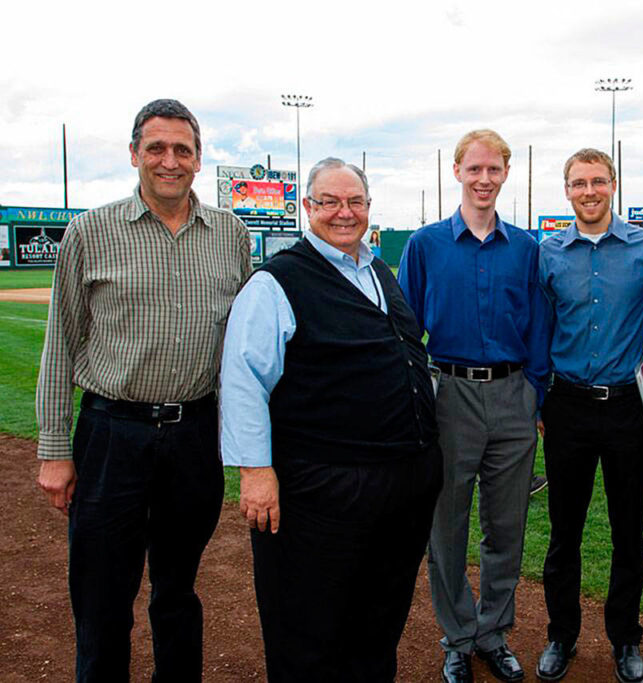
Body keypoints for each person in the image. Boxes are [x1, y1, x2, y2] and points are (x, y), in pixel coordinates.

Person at [35, 99, 252, 682]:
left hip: (193, 435)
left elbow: (243, 348)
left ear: (199, 159)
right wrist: (55, 449)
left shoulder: (231, 234)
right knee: (103, 597)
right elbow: (60, 345)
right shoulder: (90, 230)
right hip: (113, 433)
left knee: (177, 590)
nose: (169, 160)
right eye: (156, 147)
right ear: (134, 154)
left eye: (182, 149)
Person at [219, 158, 441, 682]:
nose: (345, 213)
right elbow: (244, 379)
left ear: (368, 208)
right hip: (321, 485)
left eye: (355, 202)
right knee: (308, 629)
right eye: (331, 202)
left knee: (378, 621)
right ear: (308, 208)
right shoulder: (277, 282)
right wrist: (255, 471)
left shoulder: (377, 270)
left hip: (399, 484)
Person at [398, 129, 550, 683]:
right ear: (457, 172)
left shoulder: (527, 248)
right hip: (451, 395)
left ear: (506, 173)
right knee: (448, 526)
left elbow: (538, 326)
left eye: (494, 170)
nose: (484, 179)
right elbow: (406, 330)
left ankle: (493, 632)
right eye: (474, 169)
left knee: (506, 527)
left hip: (514, 395)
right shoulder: (425, 244)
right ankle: (458, 637)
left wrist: (533, 391)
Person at [535, 148, 643, 683]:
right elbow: (539, 332)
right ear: (567, 190)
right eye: (578, 183)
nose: (589, 191)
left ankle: (625, 638)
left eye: (598, 181)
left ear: (613, 184)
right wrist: (536, 400)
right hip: (567, 406)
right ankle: (561, 635)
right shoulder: (547, 252)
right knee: (563, 533)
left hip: (626, 409)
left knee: (629, 531)